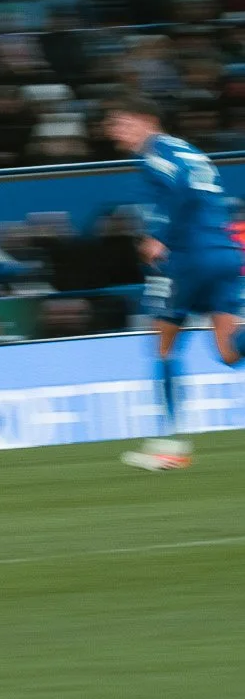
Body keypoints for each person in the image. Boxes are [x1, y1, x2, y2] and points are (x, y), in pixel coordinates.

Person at [105, 93, 244, 472]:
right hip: (225, 253)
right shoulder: (189, 150)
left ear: (147, 120)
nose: (116, 132)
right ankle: (170, 445)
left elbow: (182, 187)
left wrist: (159, 234)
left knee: (164, 348)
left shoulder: (157, 152)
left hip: (187, 259)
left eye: (122, 122)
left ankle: (170, 446)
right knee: (229, 352)